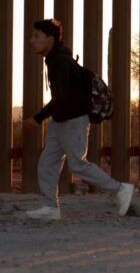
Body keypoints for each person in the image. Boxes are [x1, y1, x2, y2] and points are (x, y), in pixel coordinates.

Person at [23, 19, 134, 221]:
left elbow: (63, 97)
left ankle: (119, 189)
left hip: (73, 120)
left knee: (77, 164)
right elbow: (61, 98)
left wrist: (38, 118)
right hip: (60, 120)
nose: (31, 40)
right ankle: (50, 207)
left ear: (50, 39)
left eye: (36, 36)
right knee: (47, 163)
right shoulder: (54, 60)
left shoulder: (61, 62)